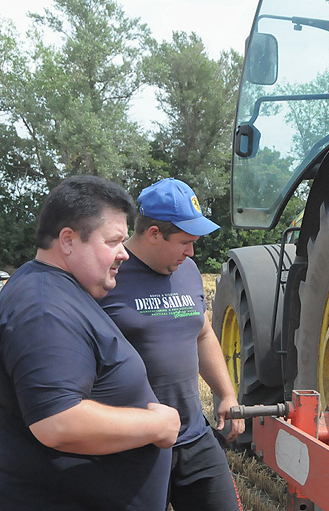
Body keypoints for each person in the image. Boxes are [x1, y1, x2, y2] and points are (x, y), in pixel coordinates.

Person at [0, 175, 180, 510]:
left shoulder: (56, 291)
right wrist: (160, 424)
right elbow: (58, 423)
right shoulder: (44, 309)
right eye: (112, 241)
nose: (124, 254)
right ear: (67, 240)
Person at [100, 178, 244, 511]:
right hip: (134, 447)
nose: (192, 252)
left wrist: (227, 393)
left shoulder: (188, 271)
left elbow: (203, 332)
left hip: (193, 436)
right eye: (185, 242)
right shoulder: (108, 277)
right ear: (153, 233)